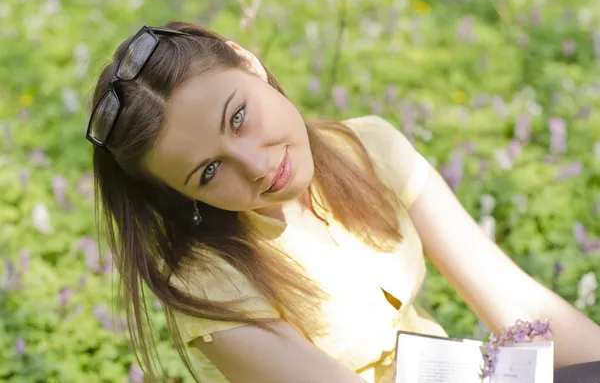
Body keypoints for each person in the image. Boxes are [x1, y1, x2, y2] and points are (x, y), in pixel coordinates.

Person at [86, 21, 600, 383]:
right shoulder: (208, 284)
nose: (259, 167)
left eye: (238, 117)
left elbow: (515, 301)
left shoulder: (366, 147)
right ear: (180, 194)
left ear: (248, 63)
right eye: (210, 171)